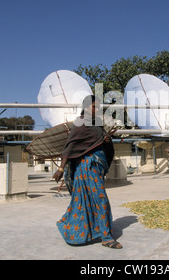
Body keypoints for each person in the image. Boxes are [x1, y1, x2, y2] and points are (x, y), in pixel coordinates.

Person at [53, 95, 122, 249]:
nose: (97, 109)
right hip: (85, 168)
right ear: (85, 107)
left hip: (96, 167)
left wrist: (107, 141)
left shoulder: (97, 123)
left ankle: (68, 224)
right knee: (99, 199)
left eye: (98, 107)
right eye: (93, 106)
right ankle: (106, 237)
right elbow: (70, 146)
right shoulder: (81, 122)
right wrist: (60, 168)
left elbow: (101, 139)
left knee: (88, 201)